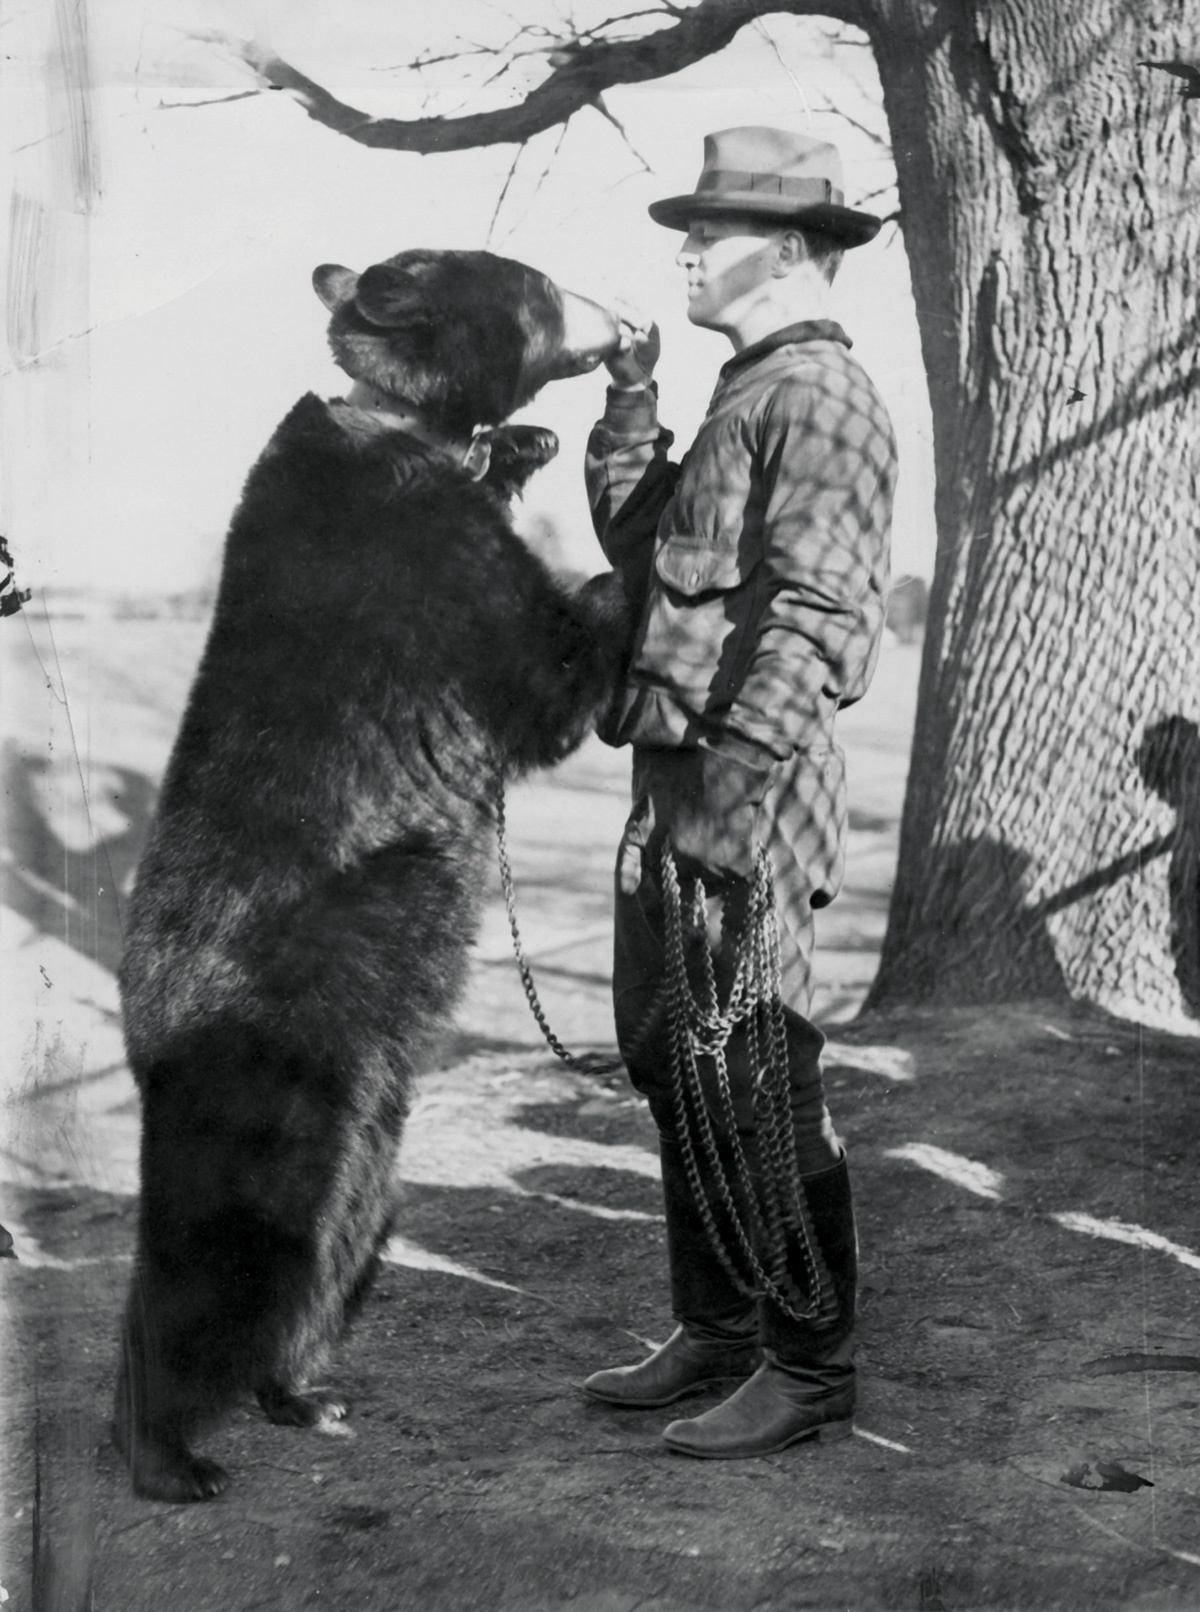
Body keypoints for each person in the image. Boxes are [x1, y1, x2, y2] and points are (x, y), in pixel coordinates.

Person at [581, 127, 898, 1459]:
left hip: (745, 788)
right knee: (676, 1066)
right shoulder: (743, 391)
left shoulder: (818, 400)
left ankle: (809, 1372)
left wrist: (737, 786)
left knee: (758, 1071)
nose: (688, 251)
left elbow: (821, 619)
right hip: (681, 783)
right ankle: (716, 1333)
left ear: (782, 250)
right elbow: (655, 555)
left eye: (707, 233)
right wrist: (634, 406)